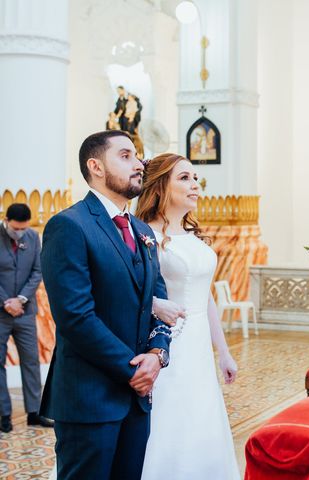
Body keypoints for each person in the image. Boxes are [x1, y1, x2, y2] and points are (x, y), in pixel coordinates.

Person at [40, 130, 172, 480]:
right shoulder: (69, 225)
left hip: (136, 400)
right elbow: (75, 318)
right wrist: (134, 371)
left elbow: (158, 302)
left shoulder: (142, 230)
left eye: (138, 156)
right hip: (90, 398)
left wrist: (158, 355)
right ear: (95, 166)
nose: (139, 164)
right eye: (126, 156)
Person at [136, 153, 240, 479]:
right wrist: (154, 305)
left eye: (195, 178)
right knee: (170, 418)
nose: (195, 184)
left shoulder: (192, 235)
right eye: (184, 178)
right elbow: (131, 289)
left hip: (197, 347)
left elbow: (204, 294)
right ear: (160, 185)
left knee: (201, 415)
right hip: (166, 341)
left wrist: (222, 351)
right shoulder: (145, 235)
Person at [0, 204, 53, 432]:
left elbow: (38, 271)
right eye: (15, 229)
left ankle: (34, 412)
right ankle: (4, 415)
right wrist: (6, 302)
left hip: (24, 311)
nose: (19, 233)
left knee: (31, 361)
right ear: (6, 220)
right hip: (1, 311)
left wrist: (20, 299)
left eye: (23, 228)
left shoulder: (32, 237)